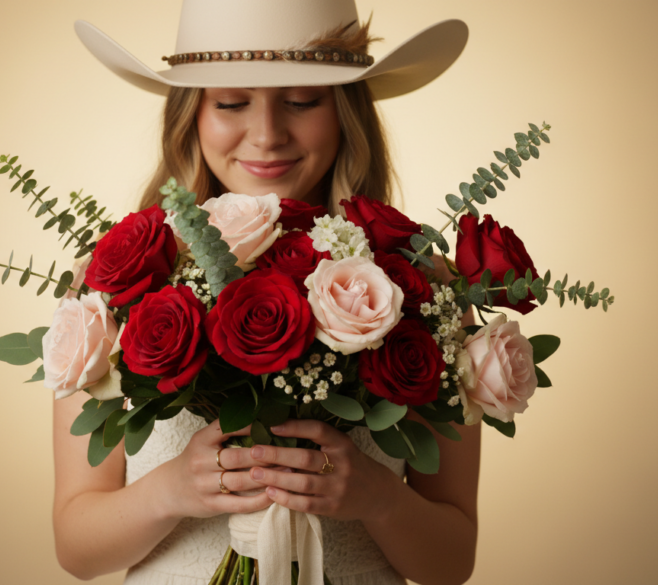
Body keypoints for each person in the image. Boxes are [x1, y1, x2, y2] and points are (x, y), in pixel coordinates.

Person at [54, 2, 480, 584]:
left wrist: (379, 498)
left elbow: (452, 563)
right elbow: (77, 549)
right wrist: (170, 490)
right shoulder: (111, 288)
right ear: (191, 117)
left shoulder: (422, 289)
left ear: (345, 112)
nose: (267, 134)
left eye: (303, 101)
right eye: (230, 103)